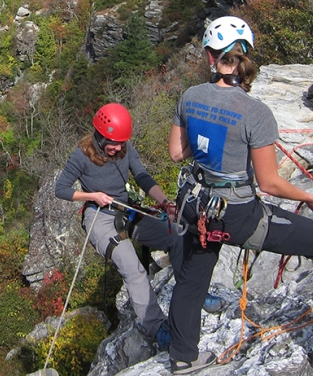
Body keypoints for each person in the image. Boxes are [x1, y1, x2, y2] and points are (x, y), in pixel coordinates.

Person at [166, 16, 313, 375]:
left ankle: (182, 355)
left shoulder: (190, 97)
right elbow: (270, 184)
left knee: (193, 275)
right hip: (237, 215)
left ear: (211, 57)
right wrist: (309, 197)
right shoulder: (256, 112)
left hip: (195, 207)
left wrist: (208, 141)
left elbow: (177, 153)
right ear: (245, 58)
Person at [55, 103, 222, 350]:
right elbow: (62, 189)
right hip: (99, 216)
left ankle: (194, 293)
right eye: (114, 142)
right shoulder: (80, 156)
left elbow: (142, 176)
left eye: (122, 142)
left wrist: (164, 201)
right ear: (99, 136)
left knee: (178, 235)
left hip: (126, 210)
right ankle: (157, 328)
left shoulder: (125, 150)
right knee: (132, 267)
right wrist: (92, 196)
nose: (118, 148)